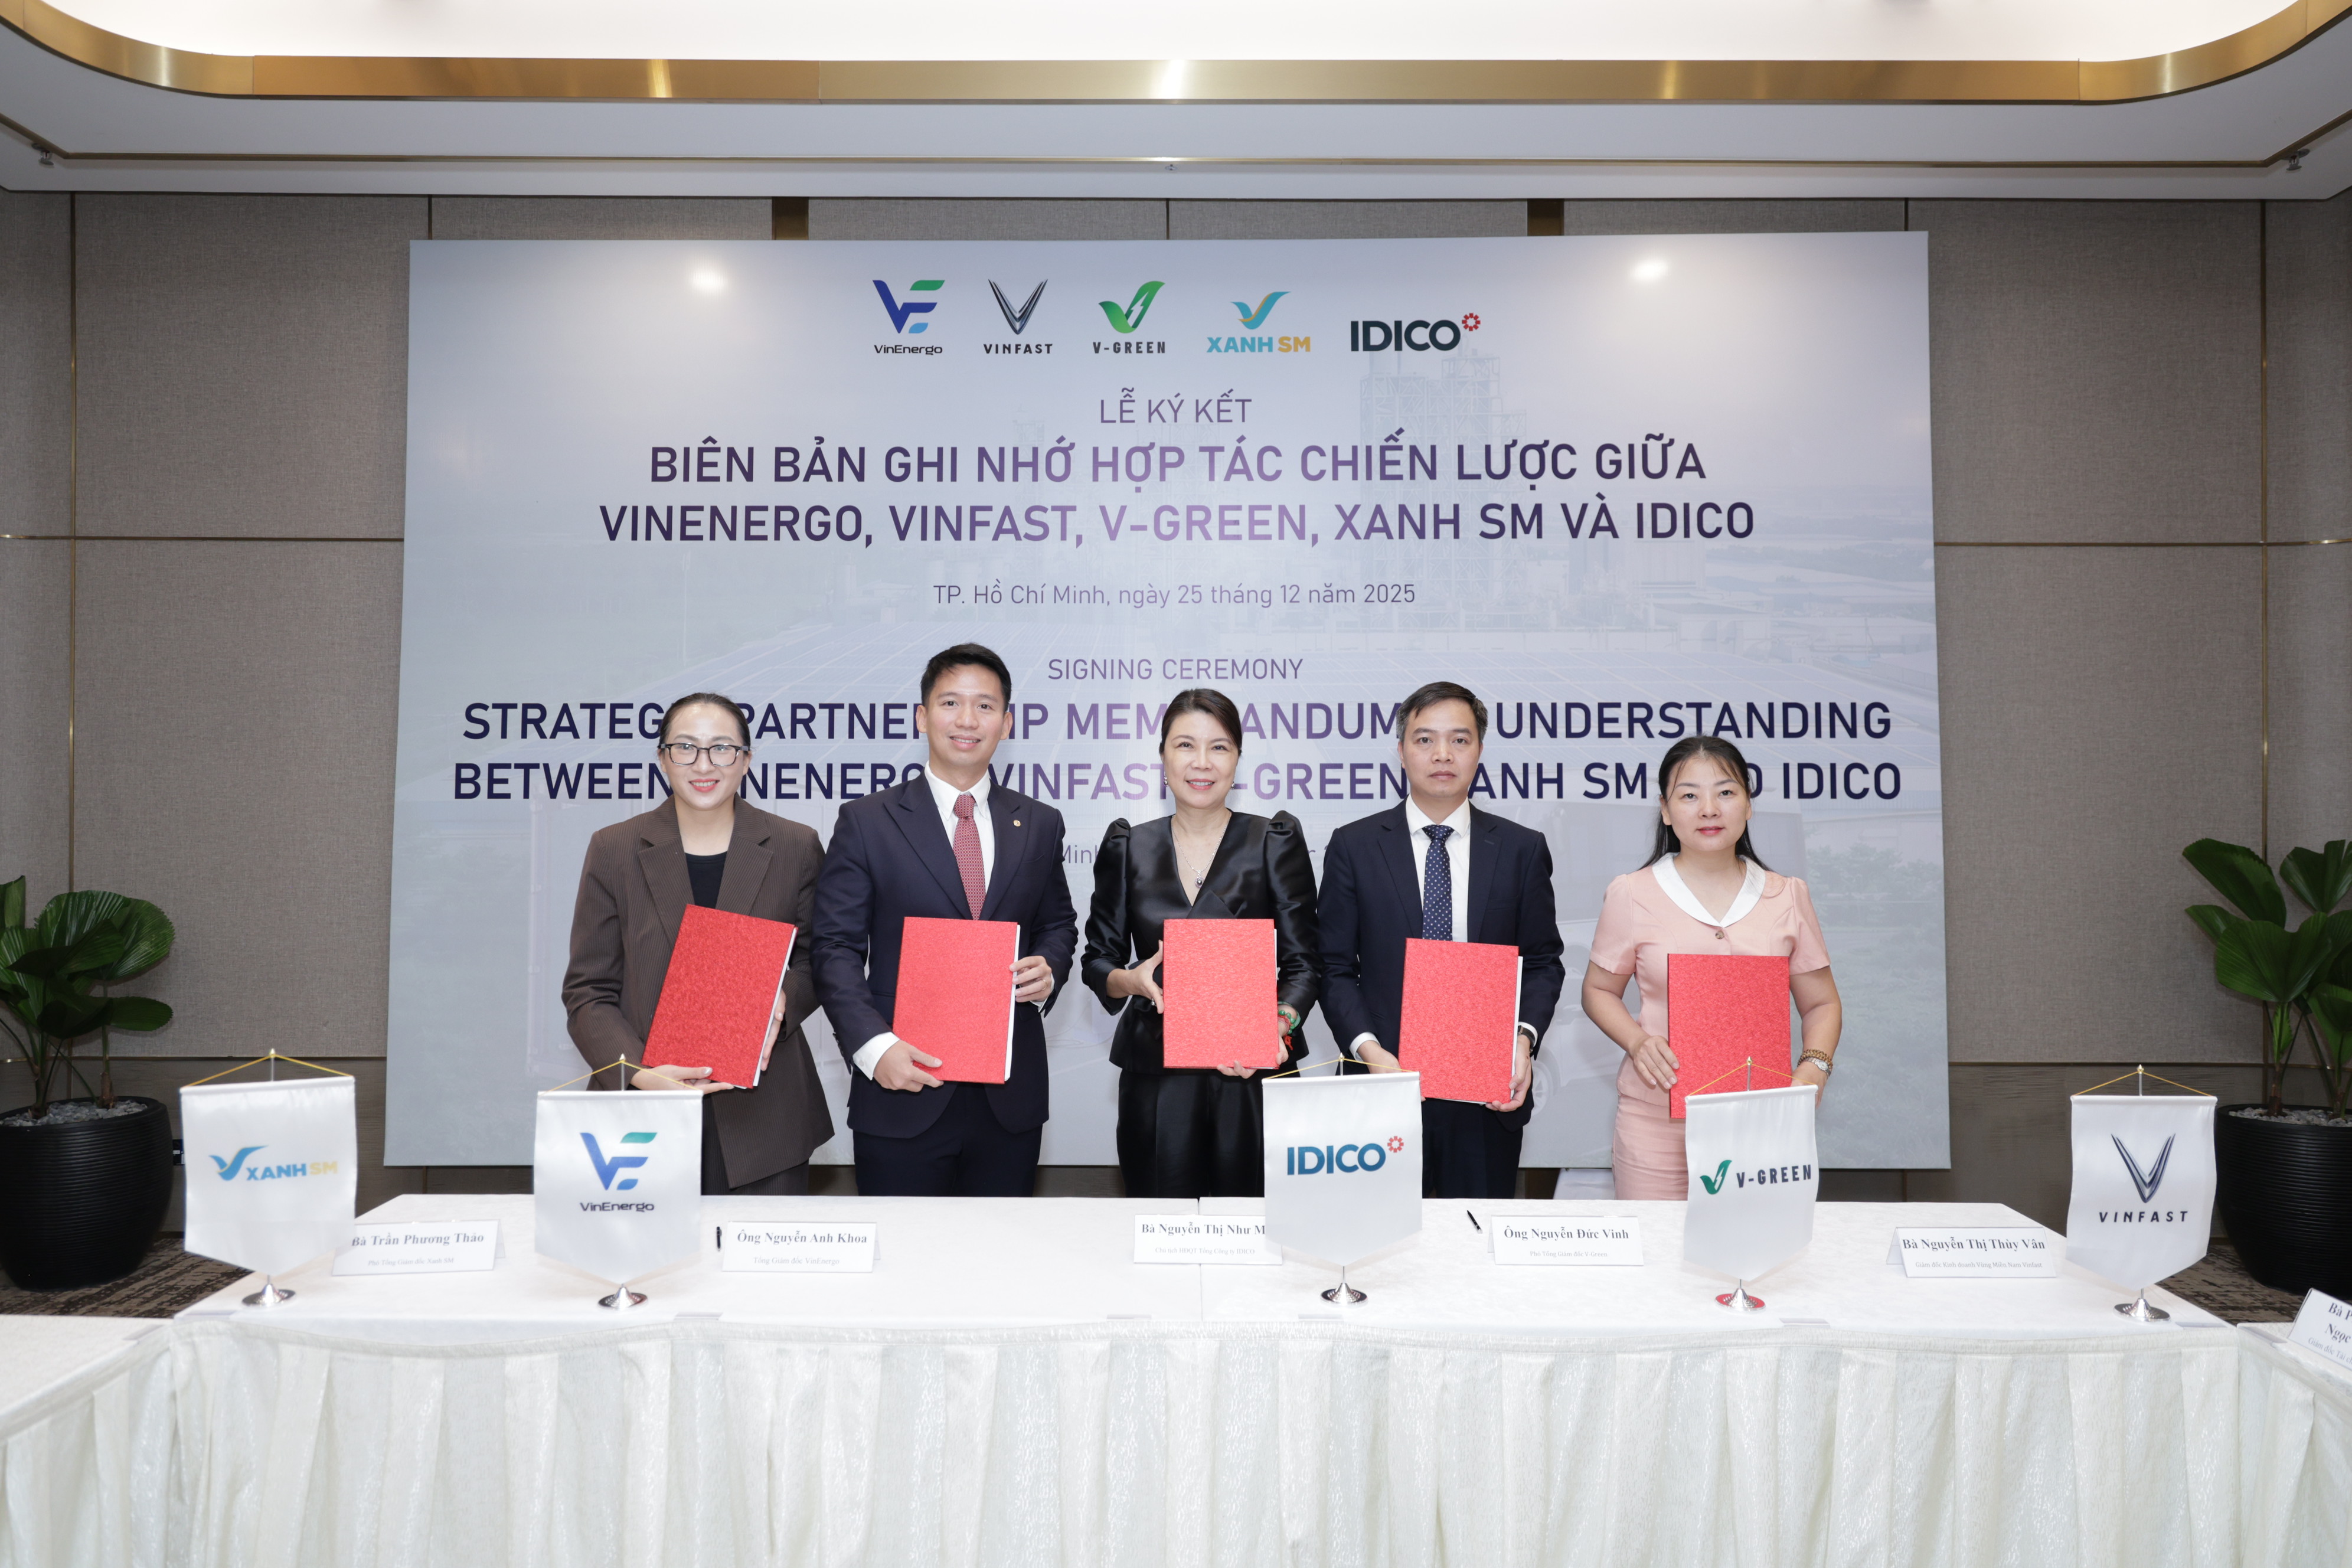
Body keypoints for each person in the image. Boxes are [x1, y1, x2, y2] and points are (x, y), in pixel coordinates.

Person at [810, 643, 1077, 1196]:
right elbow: (834, 948)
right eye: (951, 702)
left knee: (1002, 1249)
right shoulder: (867, 821)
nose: (967, 720)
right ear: (922, 716)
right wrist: (874, 1049)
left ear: (1006, 724)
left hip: (1009, 1094)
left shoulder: (1041, 823)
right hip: (901, 1083)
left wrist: (1049, 967)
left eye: (985, 706)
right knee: (902, 1249)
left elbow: (1058, 923)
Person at [561, 691, 833, 1195]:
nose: (704, 765)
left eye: (722, 748)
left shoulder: (795, 846)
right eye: (685, 747)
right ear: (662, 759)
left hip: (766, 1116)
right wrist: (640, 1073)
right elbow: (588, 991)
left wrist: (782, 999)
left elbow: (822, 960)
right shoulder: (614, 848)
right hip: (643, 1116)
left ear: (746, 760)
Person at [1320, 681, 1568, 1199]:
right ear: (1401, 750)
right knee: (1383, 1241)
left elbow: (1543, 961)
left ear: (1479, 750)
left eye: (1459, 740)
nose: (1442, 754)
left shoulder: (1521, 850)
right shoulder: (1354, 846)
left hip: (1487, 1092)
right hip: (1384, 1085)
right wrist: (1370, 1051)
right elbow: (1334, 967)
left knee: (1474, 1238)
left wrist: (1522, 1041)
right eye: (1425, 739)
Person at [1581, 734, 1843, 1200]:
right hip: (1654, 1122)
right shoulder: (1631, 893)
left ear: (1748, 804)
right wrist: (1637, 1042)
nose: (1709, 809)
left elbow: (1822, 1003)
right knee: (1657, 1244)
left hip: (1761, 1123)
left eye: (1725, 792)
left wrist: (1814, 1069)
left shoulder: (1788, 895)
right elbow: (1598, 991)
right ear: (1665, 810)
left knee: (1754, 1247)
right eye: (1689, 796)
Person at [1082, 689, 1321, 1197]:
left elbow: (1304, 963)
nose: (1202, 763)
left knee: (1258, 1228)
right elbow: (1098, 961)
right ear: (1163, 756)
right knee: (1161, 1222)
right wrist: (1133, 980)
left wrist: (1277, 1024)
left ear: (1237, 759)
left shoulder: (1273, 840)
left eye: (1219, 747)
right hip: (1156, 1071)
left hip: (1253, 1070)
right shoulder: (1128, 845)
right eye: (1185, 745)